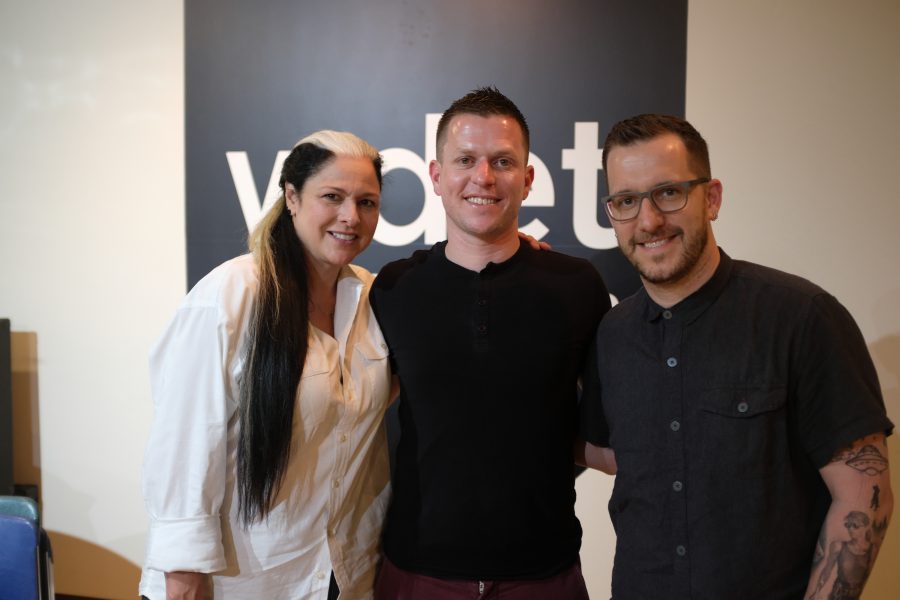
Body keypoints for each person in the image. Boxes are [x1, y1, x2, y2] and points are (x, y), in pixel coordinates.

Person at [579, 113, 894, 599]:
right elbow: (619, 455)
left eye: (668, 192)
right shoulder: (610, 335)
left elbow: (863, 499)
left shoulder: (802, 317)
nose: (648, 221)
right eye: (626, 201)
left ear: (713, 198)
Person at [370, 86, 611, 599]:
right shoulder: (392, 288)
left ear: (526, 180)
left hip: (544, 574)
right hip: (416, 573)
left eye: (502, 161)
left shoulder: (578, 285)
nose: (483, 177)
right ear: (436, 177)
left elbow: (604, 429)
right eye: (465, 160)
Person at [140, 131, 392, 600]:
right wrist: (183, 571)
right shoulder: (231, 294)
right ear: (292, 197)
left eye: (367, 202)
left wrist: (508, 247)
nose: (350, 217)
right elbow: (186, 439)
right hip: (239, 582)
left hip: (340, 575)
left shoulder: (375, 300)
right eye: (332, 197)